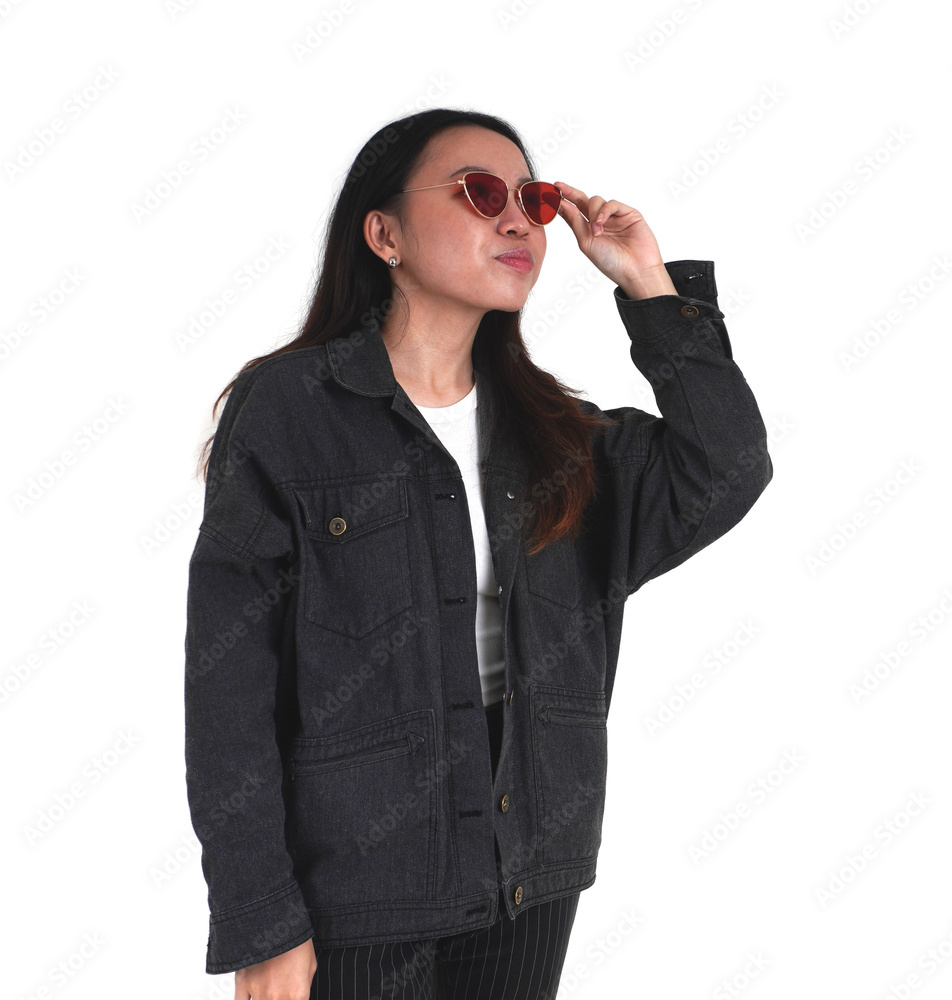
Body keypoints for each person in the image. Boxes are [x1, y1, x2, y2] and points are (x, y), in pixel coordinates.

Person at [184, 107, 773, 1000]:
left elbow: (727, 466)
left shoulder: (562, 440)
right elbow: (228, 687)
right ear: (384, 235)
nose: (518, 221)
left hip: (528, 871)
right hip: (357, 881)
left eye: (533, 201)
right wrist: (261, 919)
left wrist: (650, 287)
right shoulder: (288, 411)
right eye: (482, 193)